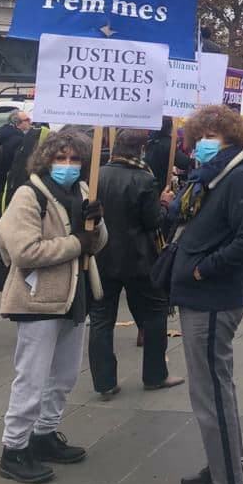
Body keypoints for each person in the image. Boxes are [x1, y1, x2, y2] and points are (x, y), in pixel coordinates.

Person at [169, 105, 243, 484]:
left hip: (212, 298)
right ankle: (222, 463)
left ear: (229, 138)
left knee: (210, 395)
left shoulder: (238, 177)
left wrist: (202, 267)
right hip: (203, 296)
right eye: (200, 134)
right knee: (214, 389)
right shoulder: (213, 175)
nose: (204, 142)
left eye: (212, 135)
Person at [0, 129, 107, 484]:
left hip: (75, 296)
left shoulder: (83, 190)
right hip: (38, 299)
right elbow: (24, 252)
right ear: (46, 159)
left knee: (64, 375)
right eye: (61, 158)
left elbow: (97, 244)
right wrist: (76, 242)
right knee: (32, 377)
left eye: (75, 159)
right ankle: (14, 449)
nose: (68, 165)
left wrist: (98, 222)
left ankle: (44, 434)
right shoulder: (29, 196)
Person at [89, 130, 183, 399]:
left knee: (101, 318)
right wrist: (165, 204)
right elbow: (153, 222)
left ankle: (104, 382)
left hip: (103, 255)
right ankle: (155, 374)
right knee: (155, 312)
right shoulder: (145, 178)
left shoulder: (99, 176)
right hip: (139, 258)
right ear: (140, 150)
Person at [0, 109, 33, 200]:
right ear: (18, 123)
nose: (30, 122)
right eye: (27, 120)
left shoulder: (2, 132)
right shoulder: (18, 139)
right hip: (8, 177)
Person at [145, 117, 190, 193]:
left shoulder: (150, 141)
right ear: (170, 128)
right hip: (161, 185)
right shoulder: (168, 144)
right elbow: (183, 163)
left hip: (148, 182)